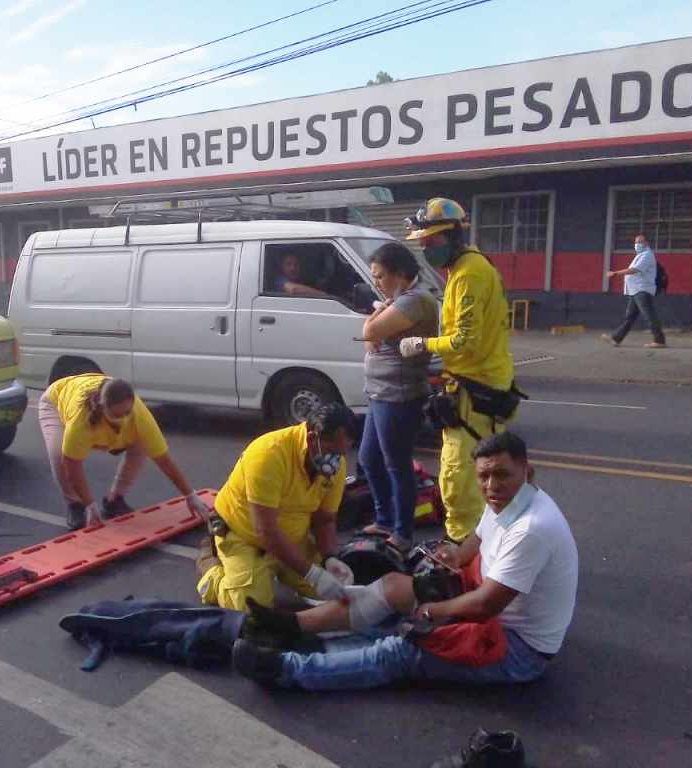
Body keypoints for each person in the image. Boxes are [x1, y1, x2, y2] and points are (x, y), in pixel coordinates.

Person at [232, 432, 579, 690]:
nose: (491, 485)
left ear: (527, 473)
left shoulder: (532, 529)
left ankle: (284, 670)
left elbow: (484, 606)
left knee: (403, 649)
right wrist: (455, 555)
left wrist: (432, 612)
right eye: (484, 476)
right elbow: (478, 538)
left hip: (517, 647)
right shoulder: (509, 500)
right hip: (484, 601)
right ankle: (291, 626)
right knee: (394, 588)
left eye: (501, 474)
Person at [397, 197, 518, 543]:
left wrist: (422, 344)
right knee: (487, 473)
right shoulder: (468, 268)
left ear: (454, 236)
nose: (426, 249)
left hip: (476, 390)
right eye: (423, 242)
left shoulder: (468, 273)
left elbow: (464, 339)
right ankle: (487, 546)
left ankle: (462, 551)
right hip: (480, 384)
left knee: (458, 478)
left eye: (431, 242)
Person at [195, 403, 359, 610]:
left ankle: (276, 568)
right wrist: (312, 574)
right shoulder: (268, 455)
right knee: (252, 608)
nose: (334, 462)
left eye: (341, 454)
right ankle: (211, 568)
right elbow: (266, 530)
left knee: (336, 593)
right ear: (312, 438)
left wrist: (329, 558)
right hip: (246, 537)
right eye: (329, 451)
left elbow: (324, 518)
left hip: (292, 539)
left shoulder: (336, 465)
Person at [38, 373, 210, 530]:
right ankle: (75, 505)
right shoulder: (82, 420)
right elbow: (72, 466)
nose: (123, 419)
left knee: (143, 444)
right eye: (116, 415)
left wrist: (190, 495)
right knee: (59, 455)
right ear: (102, 407)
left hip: (102, 418)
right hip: (56, 401)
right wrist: (89, 503)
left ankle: (114, 500)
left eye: (127, 412)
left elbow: (163, 458)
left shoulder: (140, 416)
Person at [358, 241, 440, 552]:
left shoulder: (415, 300)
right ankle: (384, 519)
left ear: (400, 273)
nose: (375, 283)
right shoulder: (402, 298)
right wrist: (374, 322)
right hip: (381, 393)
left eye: (379, 276)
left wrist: (371, 325)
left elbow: (369, 332)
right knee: (368, 459)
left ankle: (403, 534)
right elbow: (373, 327)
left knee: (397, 465)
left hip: (399, 396)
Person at [602, 234, 666, 348]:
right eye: (636, 243)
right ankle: (616, 338)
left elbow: (635, 270)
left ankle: (659, 340)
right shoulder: (641, 255)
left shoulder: (646, 255)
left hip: (642, 290)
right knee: (630, 317)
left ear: (646, 243)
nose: (637, 245)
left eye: (639, 242)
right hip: (635, 290)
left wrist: (616, 273)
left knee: (649, 315)